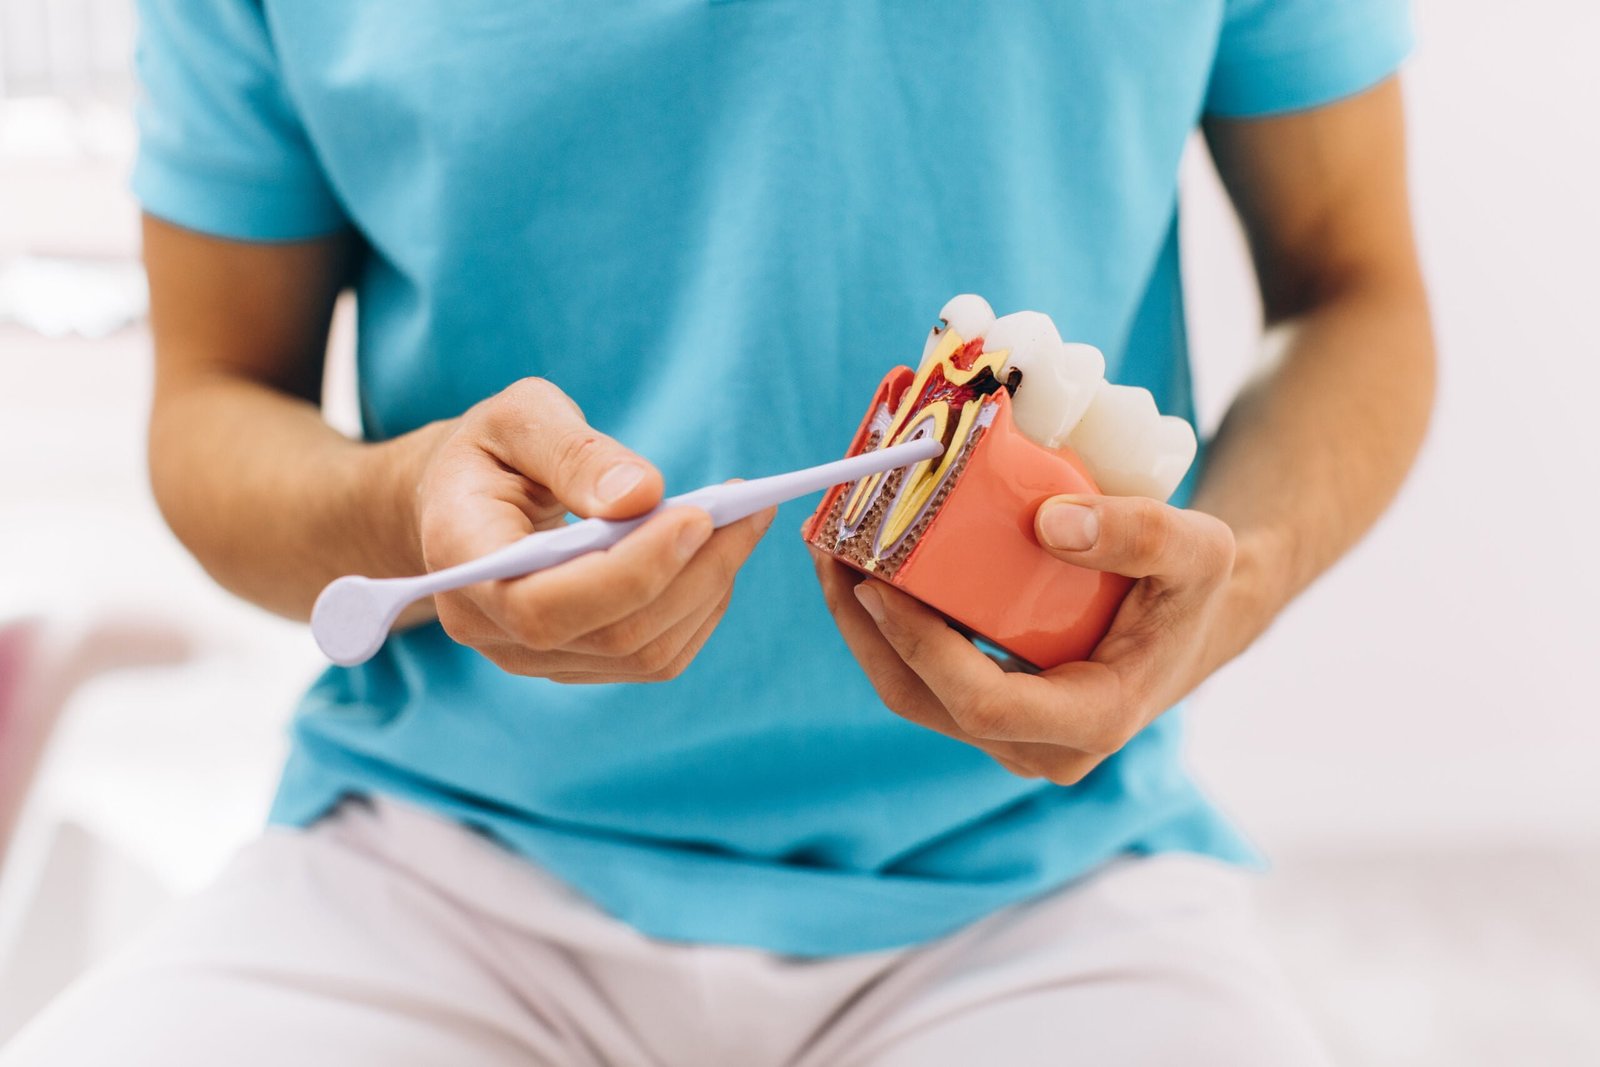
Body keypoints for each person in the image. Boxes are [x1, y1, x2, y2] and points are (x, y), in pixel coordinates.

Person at [2, 2, 1435, 1064]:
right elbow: (207, 404)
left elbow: (1356, 287)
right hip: (437, 868)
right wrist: (406, 511)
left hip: (1043, 881)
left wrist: (1223, 591)